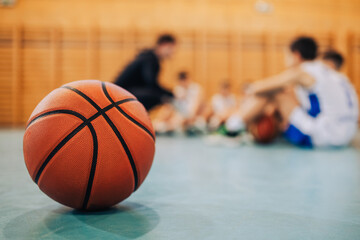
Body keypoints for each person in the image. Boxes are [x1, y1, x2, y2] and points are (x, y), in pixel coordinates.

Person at [226, 36, 358, 148]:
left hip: (325, 137)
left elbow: (257, 88)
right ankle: (240, 126)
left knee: (276, 92)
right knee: (285, 94)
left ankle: (231, 128)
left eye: (286, 55)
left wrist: (248, 93)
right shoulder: (334, 74)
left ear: (296, 55)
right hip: (347, 135)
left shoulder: (302, 71)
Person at [114, 34, 176, 110]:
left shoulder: (150, 58)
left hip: (127, 91)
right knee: (156, 96)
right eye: (170, 48)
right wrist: (171, 94)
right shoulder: (149, 59)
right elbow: (151, 84)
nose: (173, 52)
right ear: (163, 45)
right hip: (121, 94)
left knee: (158, 95)